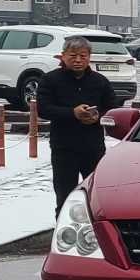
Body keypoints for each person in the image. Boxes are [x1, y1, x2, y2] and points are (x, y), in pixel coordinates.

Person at [39, 35, 120, 213]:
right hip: (63, 147)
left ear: (89, 57)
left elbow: (113, 109)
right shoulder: (50, 80)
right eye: (73, 55)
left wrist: (97, 117)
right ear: (63, 56)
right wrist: (72, 113)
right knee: (64, 195)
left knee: (95, 194)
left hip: (93, 147)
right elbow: (43, 109)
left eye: (83, 56)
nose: (78, 60)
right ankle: (63, 227)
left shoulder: (100, 81)